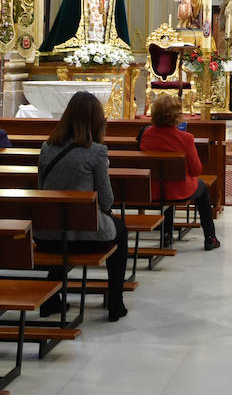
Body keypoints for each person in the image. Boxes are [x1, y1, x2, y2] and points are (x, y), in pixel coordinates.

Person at [37, 91, 129, 321]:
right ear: (97, 120)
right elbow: (107, 200)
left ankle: (51, 299)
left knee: (64, 228)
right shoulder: (97, 151)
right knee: (121, 231)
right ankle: (116, 303)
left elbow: (42, 188)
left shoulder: (46, 147)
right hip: (84, 236)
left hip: (46, 235)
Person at [140, 94, 221, 250]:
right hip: (178, 190)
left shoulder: (147, 135)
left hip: (153, 189)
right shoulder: (185, 138)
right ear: (177, 116)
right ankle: (210, 237)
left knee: (165, 184)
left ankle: (167, 234)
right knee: (202, 188)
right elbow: (197, 170)